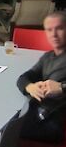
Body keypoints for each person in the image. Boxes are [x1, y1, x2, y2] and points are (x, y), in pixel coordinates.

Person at [17, 11, 66, 143]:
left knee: (3, 132)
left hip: (55, 122)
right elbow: (23, 77)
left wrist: (62, 87)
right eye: (49, 30)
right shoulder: (47, 57)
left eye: (59, 28)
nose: (54, 34)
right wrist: (30, 86)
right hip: (37, 112)